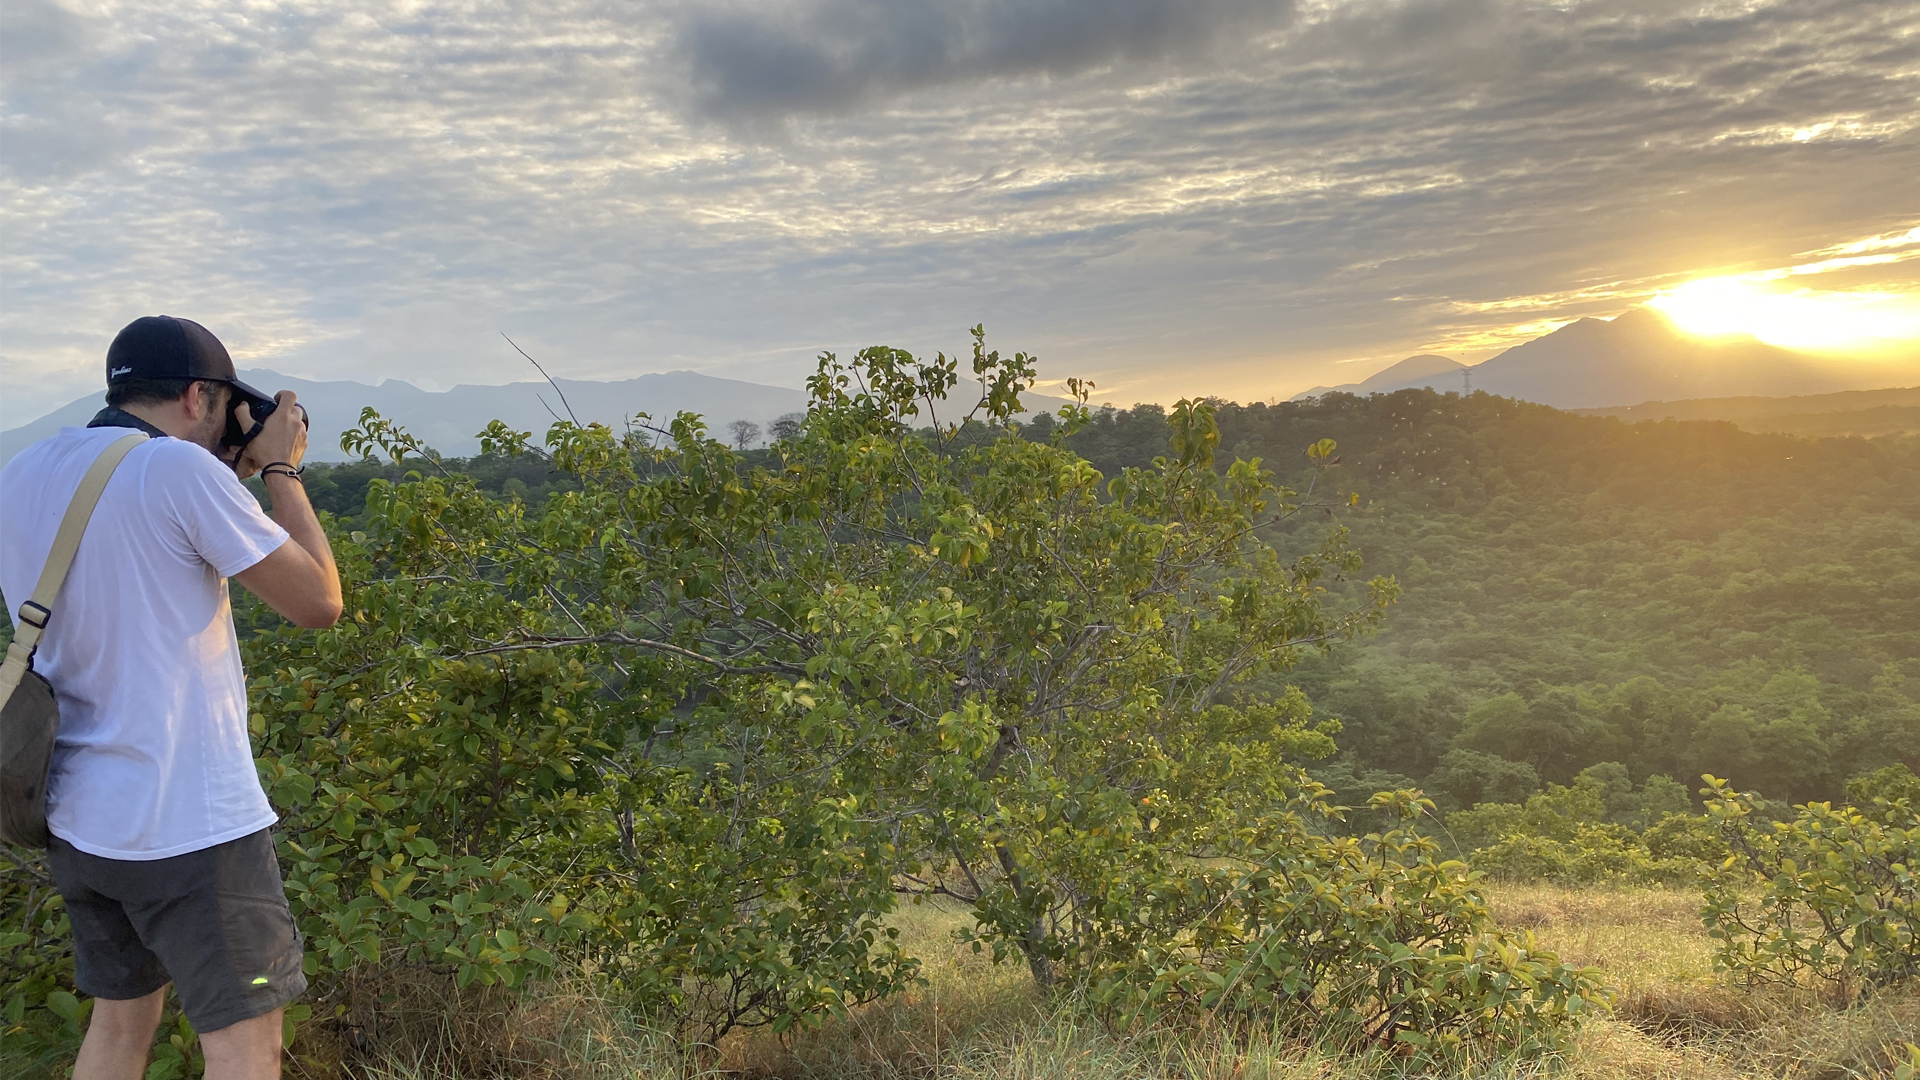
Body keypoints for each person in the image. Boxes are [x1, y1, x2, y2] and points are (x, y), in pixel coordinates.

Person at [0, 316, 341, 1080]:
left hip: (80, 818)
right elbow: (319, 600)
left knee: (120, 1027)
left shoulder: (22, 471)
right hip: (187, 823)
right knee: (248, 1046)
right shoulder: (180, 476)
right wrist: (280, 469)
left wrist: (230, 471)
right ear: (198, 397)